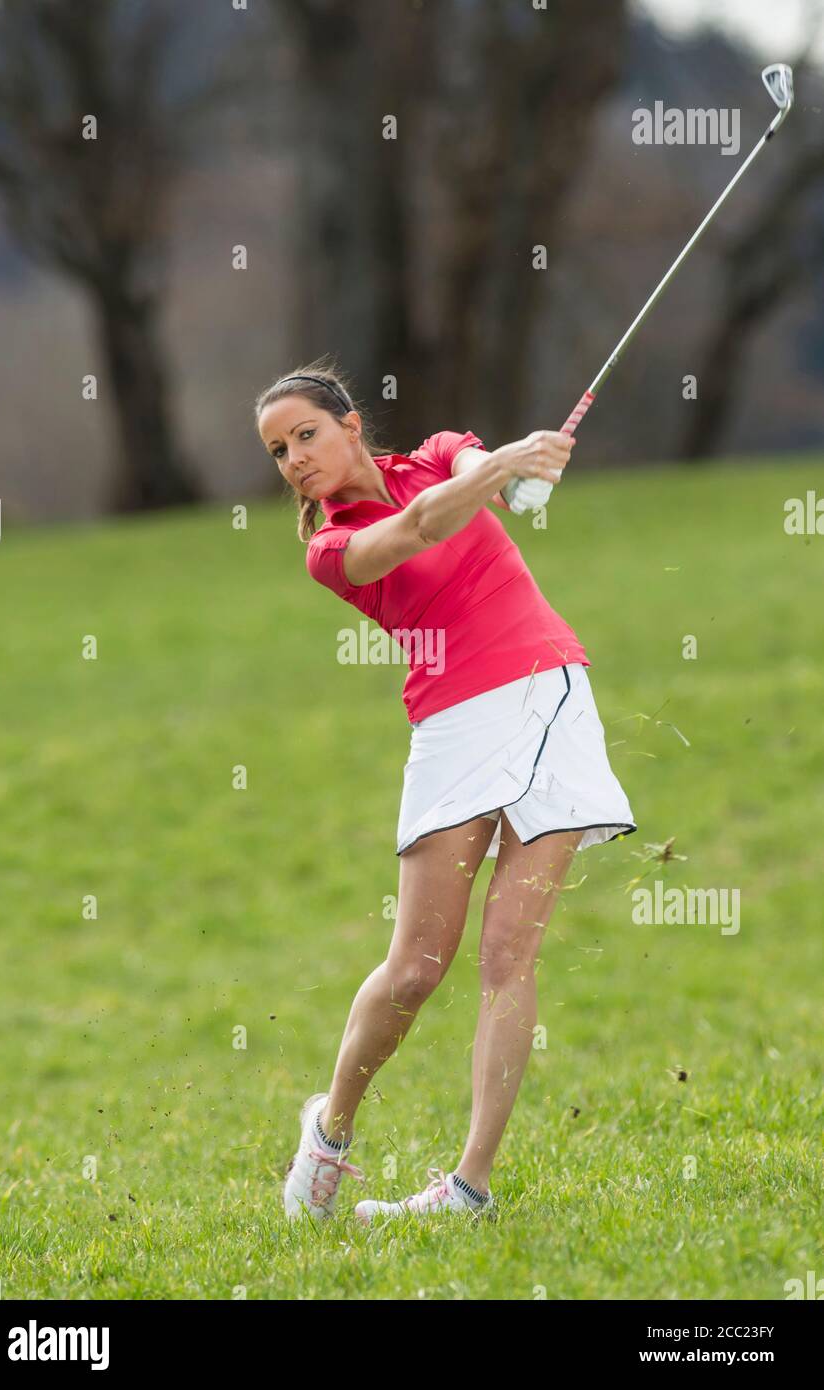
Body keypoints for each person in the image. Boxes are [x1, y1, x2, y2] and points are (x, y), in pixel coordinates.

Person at [255, 361, 636, 1225]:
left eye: (305, 435)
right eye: (279, 451)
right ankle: (331, 1130)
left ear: (351, 424)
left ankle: (469, 1188)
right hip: (456, 726)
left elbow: (462, 479)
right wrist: (513, 464)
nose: (294, 460)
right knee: (419, 968)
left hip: (553, 691)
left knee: (510, 953)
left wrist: (511, 468)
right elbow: (421, 528)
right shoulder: (331, 550)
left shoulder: (442, 452)